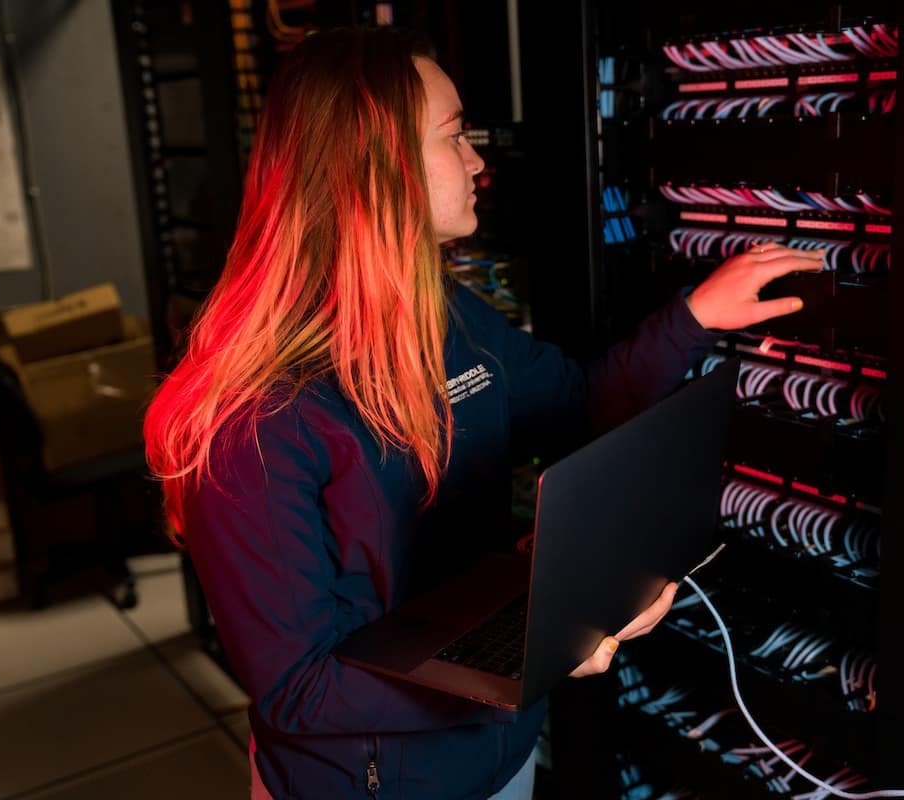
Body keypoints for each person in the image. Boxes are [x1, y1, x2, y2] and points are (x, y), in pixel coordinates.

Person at [143, 26, 824, 800]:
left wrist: (693, 318)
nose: (477, 162)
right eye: (454, 135)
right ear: (374, 164)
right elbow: (299, 692)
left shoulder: (441, 316)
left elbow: (575, 406)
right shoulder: (254, 420)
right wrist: (524, 667)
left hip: (496, 754)